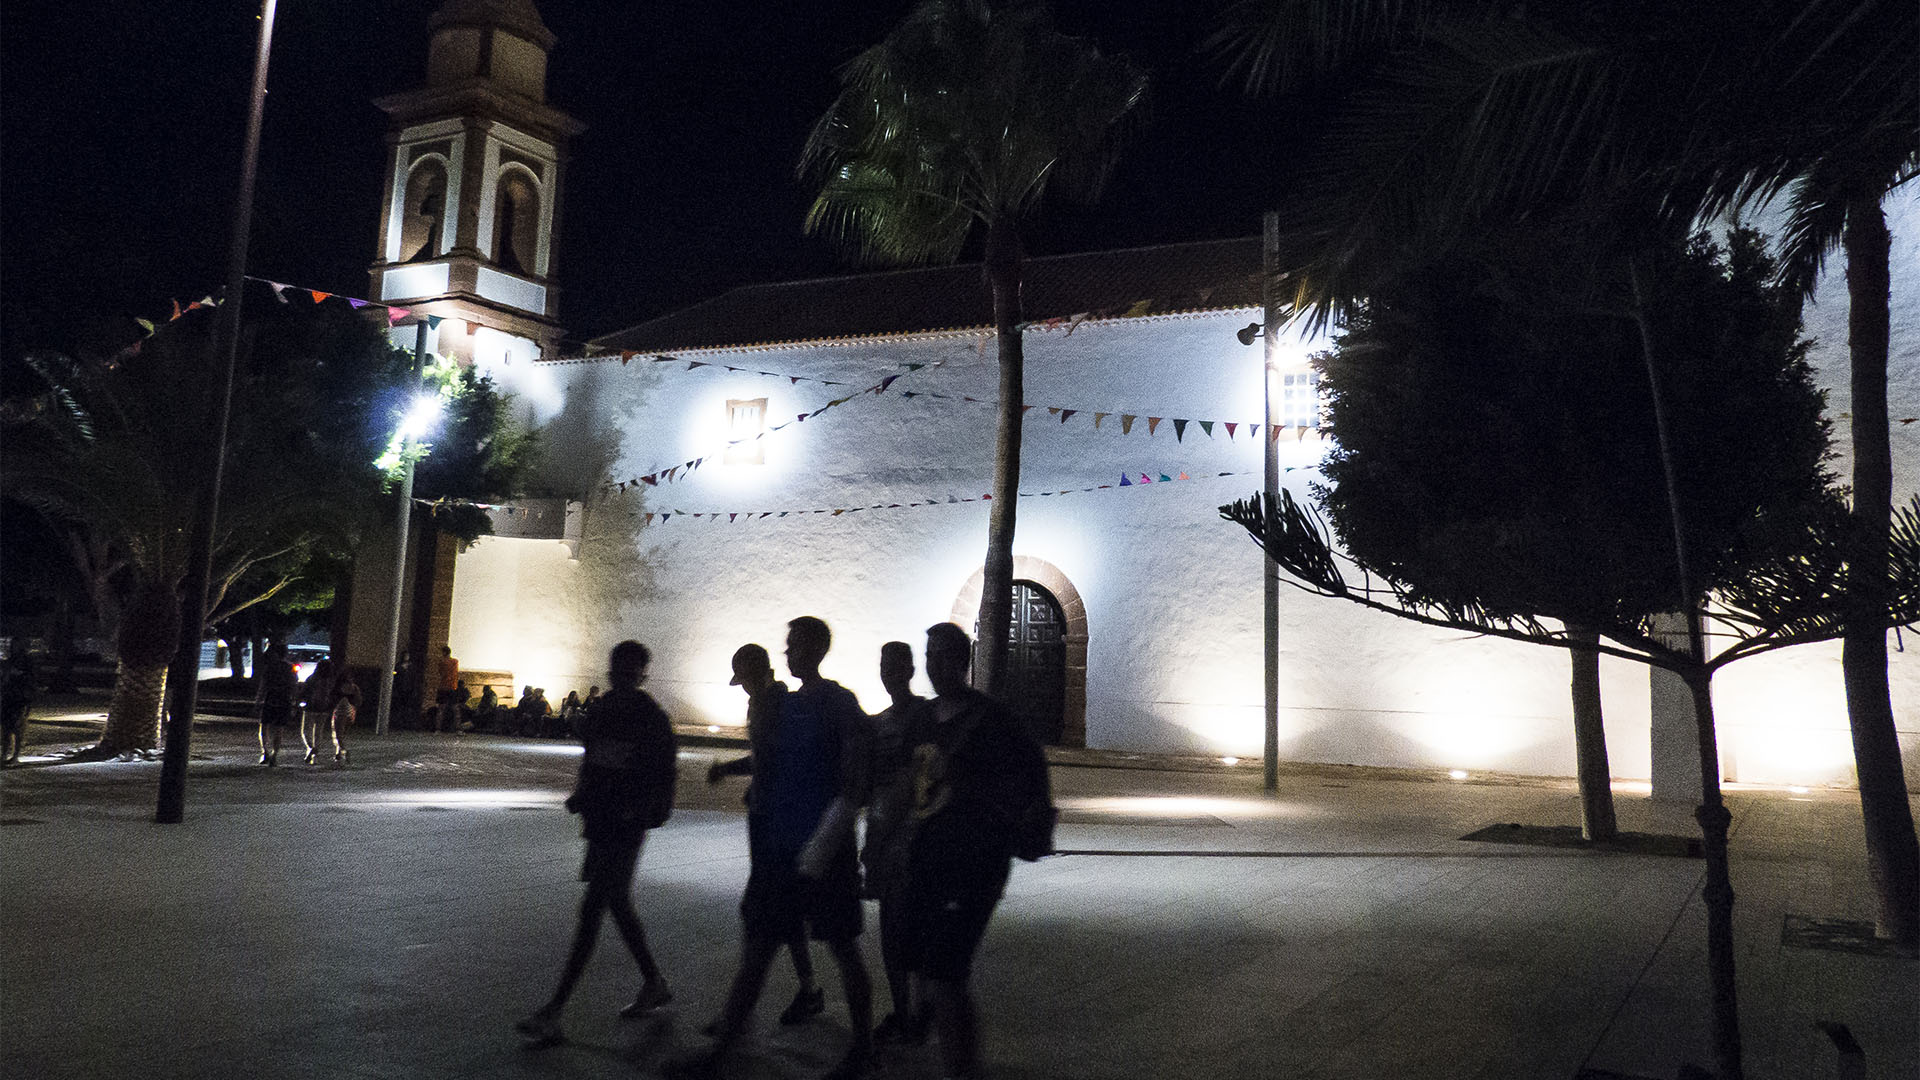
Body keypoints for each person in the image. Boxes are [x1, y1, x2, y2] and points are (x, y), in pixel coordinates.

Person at [677, 617, 872, 1080]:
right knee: (760, 947)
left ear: (819, 649)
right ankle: (721, 1052)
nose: (789, 654)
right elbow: (770, 763)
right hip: (783, 848)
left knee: (842, 949)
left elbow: (856, 776)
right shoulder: (786, 707)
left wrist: (828, 836)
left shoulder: (836, 704)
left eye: (797, 647)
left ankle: (863, 1048)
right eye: (788, 647)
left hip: (823, 851)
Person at [899, 623, 1052, 1080]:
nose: (933, 665)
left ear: (963, 661)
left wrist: (1014, 829)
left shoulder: (992, 720)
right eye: (929, 655)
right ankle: (949, 1049)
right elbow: (912, 784)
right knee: (932, 970)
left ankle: (961, 1068)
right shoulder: (923, 719)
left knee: (945, 973)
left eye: (943, 656)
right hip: (929, 860)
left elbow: (1030, 777)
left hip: (972, 864)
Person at [516, 640, 678, 1047]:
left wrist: (645, 811)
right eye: (619, 670)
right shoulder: (609, 711)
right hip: (605, 822)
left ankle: (554, 1009)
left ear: (642, 675)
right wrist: (583, 795)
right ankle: (653, 982)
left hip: (624, 824)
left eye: (630, 671)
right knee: (618, 904)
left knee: (593, 911)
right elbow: (594, 761)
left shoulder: (648, 717)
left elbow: (661, 772)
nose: (624, 677)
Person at [706, 643, 826, 1030]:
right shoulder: (772, 700)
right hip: (769, 815)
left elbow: (770, 758)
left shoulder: (770, 704)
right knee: (782, 914)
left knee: (758, 913)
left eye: (742, 680)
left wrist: (735, 774)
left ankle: (739, 1012)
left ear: (755, 674)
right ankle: (807, 990)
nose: (741, 689)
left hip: (771, 820)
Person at [862, 641, 929, 1045]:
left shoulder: (924, 717)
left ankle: (916, 1011)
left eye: (896, 665)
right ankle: (905, 1010)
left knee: (910, 928)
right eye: (884, 664)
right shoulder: (878, 722)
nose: (889, 672)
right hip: (884, 836)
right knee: (891, 928)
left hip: (914, 837)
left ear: (908, 669)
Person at [253, 643, 296, 766]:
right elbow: (293, 685)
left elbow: (263, 686)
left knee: (265, 726)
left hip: (272, 699)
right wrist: (294, 701)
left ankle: (266, 752)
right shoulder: (289, 668)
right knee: (277, 728)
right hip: (284, 700)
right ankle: (273, 754)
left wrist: (258, 701)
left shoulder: (270, 668)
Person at [1, 652, 37, 766]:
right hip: (8, 703)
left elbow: (28, 691)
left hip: (18, 703)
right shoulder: (8, 676)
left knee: (17, 731)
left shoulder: (24, 676)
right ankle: (5, 755)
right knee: (6, 731)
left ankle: (15, 756)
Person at [298, 659, 334, 766]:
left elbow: (304, 691)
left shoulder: (312, 679)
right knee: (318, 732)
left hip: (311, 707)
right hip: (324, 708)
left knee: (305, 731)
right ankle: (315, 755)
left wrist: (299, 700)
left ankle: (310, 748)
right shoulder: (331, 681)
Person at [325, 666, 360, 766]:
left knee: (337, 734)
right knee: (343, 733)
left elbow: (332, 698)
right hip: (350, 712)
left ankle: (344, 750)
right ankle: (338, 754)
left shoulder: (338, 686)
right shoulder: (354, 687)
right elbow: (358, 700)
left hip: (339, 712)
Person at [436, 645, 461, 733]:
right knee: (456, 709)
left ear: (444, 653)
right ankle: (458, 729)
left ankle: (438, 729)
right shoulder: (455, 661)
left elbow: (440, 672)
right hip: (453, 687)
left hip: (443, 687)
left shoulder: (441, 662)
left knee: (441, 709)